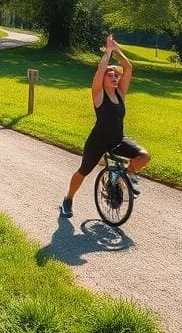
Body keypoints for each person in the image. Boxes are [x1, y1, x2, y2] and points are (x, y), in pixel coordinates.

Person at [60, 33, 150, 218]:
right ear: (103, 80)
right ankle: (67, 200)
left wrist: (116, 50)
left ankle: (122, 177)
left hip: (117, 139)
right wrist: (107, 53)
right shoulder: (98, 95)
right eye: (111, 75)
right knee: (83, 171)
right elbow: (100, 72)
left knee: (143, 156)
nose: (115, 77)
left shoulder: (121, 94)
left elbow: (128, 67)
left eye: (116, 75)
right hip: (98, 142)